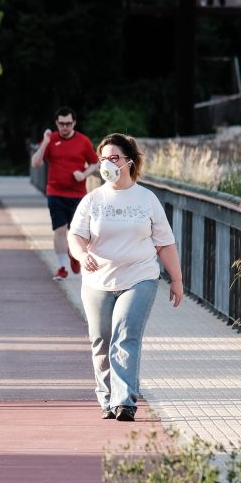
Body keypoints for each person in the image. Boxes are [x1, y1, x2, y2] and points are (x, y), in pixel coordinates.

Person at [67, 133, 183, 422]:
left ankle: (125, 401)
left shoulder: (147, 199)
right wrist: (82, 255)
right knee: (101, 341)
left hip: (140, 277)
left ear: (130, 161)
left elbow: (165, 243)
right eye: (103, 158)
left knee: (125, 335)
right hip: (98, 281)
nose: (107, 163)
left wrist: (177, 280)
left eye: (114, 158)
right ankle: (106, 398)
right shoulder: (93, 199)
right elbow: (76, 236)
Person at [30, 106, 99, 281]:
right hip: (55, 192)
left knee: (79, 232)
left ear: (74, 123)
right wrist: (45, 142)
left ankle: (75, 255)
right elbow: (35, 163)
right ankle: (62, 267)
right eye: (61, 124)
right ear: (56, 123)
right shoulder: (51, 139)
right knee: (60, 231)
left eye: (68, 124)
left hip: (78, 195)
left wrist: (83, 174)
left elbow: (95, 163)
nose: (65, 127)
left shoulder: (83, 141)